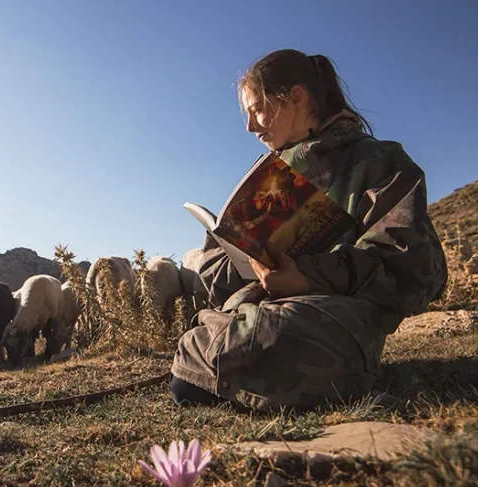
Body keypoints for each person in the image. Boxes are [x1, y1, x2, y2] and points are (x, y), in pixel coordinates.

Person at [170, 49, 448, 411]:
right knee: (205, 348)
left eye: (257, 109)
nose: (250, 127)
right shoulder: (268, 176)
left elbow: (411, 265)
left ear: (297, 98)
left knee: (256, 341)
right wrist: (246, 263)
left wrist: (305, 277)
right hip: (265, 308)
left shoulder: (380, 162)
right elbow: (218, 263)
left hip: (331, 316)